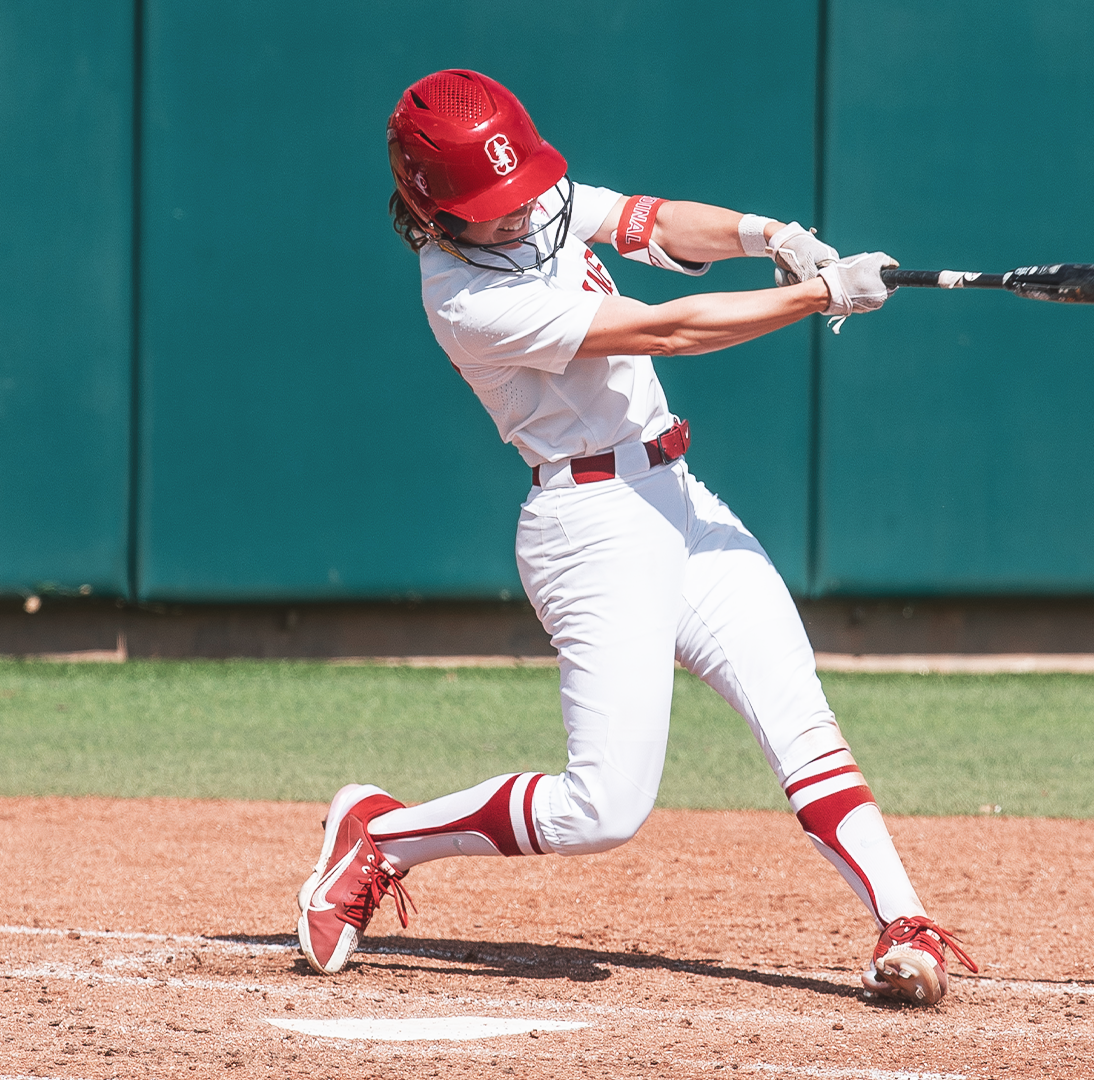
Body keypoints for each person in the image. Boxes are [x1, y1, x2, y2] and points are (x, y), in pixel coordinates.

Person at [294, 68, 975, 1006]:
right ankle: (382, 835)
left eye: (520, 193)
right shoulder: (464, 298)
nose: (517, 215)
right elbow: (668, 331)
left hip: (677, 497)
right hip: (590, 528)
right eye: (489, 209)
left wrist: (769, 236)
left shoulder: (535, 201)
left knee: (797, 712)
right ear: (431, 209)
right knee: (603, 809)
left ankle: (903, 922)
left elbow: (645, 221)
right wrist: (821, 295)